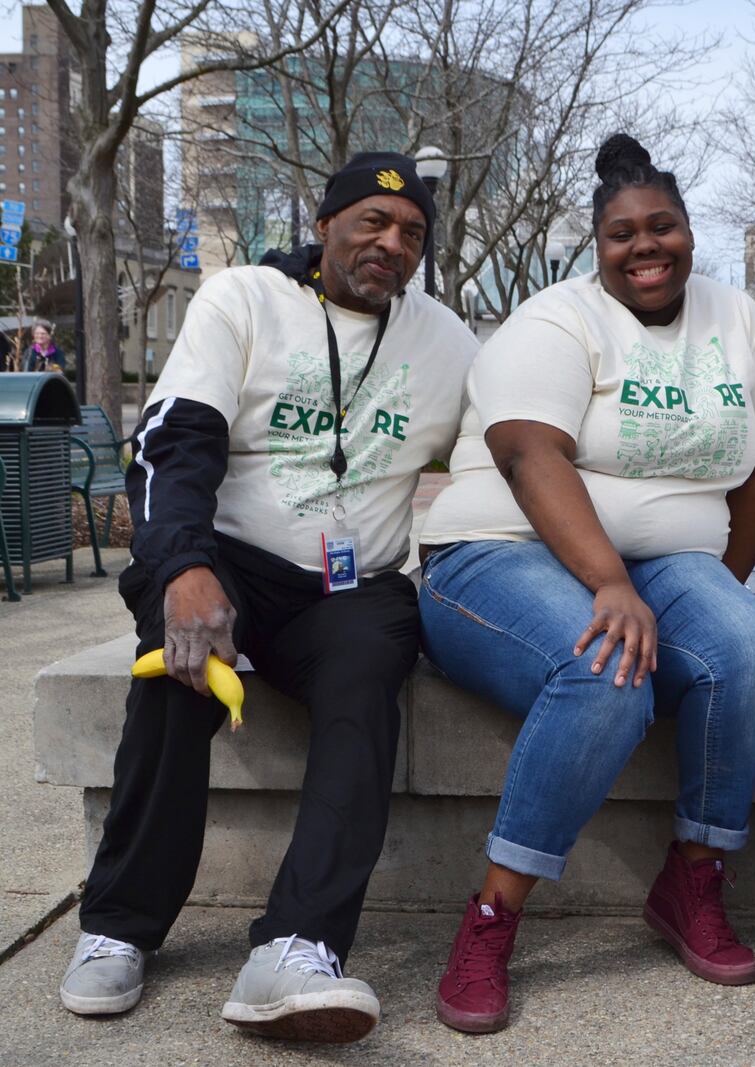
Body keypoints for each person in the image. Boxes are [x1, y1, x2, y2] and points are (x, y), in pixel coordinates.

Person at [57, 151, 476, 1044]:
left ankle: (296, 946)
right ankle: (119, 924)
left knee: (370, 674)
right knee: (179, 673)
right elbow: (176, 444)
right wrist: (182, 567)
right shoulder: (243, 298)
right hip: (228, 559)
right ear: (325, 224)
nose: (391, 244)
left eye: (411, 233)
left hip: (351, 586)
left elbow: (517, 443)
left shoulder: (447, 341)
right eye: (372, 221)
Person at [416, 133, 755, 1034]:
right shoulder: (556, 319)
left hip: (662, 565)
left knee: (751, 642)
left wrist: (720, 588)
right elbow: (524, 451)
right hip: (496, 551)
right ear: (597, 246)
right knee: (605, 669)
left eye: (662, 226)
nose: (646, 246)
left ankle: (693, 879)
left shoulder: (736, 319)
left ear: (689, 231)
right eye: (622, 233)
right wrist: (608, 580)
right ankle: (492, 917)